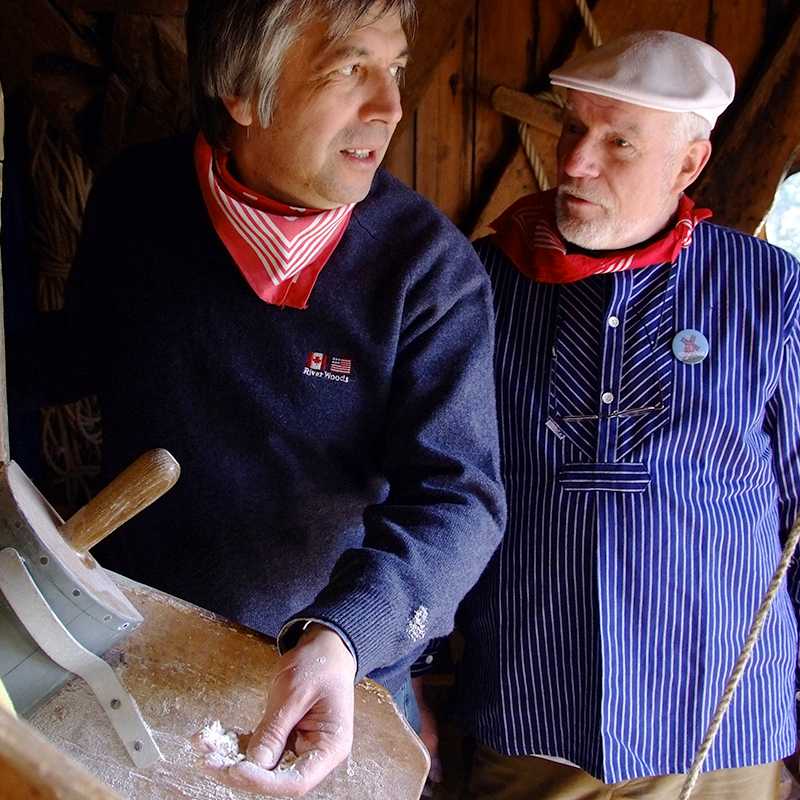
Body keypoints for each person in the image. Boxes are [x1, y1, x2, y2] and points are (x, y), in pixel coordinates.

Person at [59, 1, 506, 796]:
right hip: (127, 638)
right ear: (241, 89)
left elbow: (459, 499)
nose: (392, 106)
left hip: (320, 680)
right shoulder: (138, 196)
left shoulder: (427, 272)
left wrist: (344, 636)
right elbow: (84, 352)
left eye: (395, 68)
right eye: (349, 69)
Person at [449, 29, 800, 800]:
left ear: (688, 164)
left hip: (720, 735)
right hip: (528, 722)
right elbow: (428, 487)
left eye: (619, 142)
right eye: (573, 127)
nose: (575, 161)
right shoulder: (484, 282)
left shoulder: (769, 295)